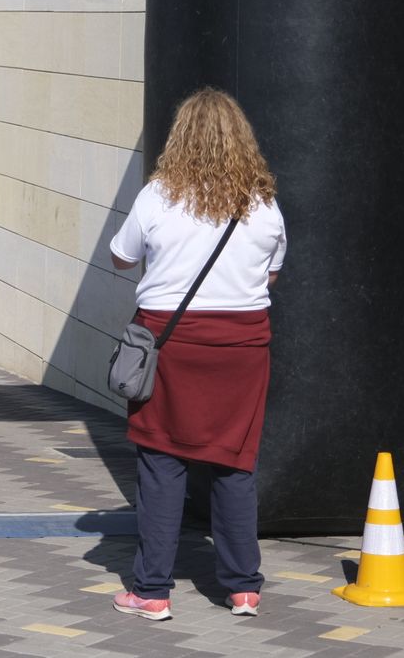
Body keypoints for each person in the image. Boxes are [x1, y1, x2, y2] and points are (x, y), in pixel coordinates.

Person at [106, 88, 286, 622]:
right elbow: (271, 273)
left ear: (180, 137)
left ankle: (153, 591)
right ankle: (243, 588)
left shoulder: (158, 196)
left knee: (161, 461)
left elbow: (120, 258)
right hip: (243, 347)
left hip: (170, 343)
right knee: (235, 462)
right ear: (242, 140)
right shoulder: (263, 203)